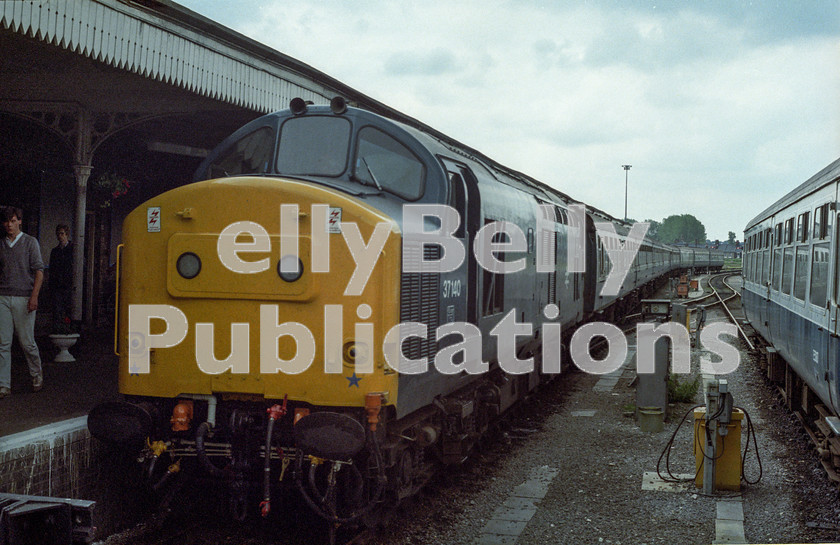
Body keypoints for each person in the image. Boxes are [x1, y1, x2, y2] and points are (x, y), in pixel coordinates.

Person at [0, 206, 45, 398]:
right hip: (3, 297)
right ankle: (4, 385)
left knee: (27, 343)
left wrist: (34, 296)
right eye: (6, 221)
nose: (9, 225)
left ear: (20, 221)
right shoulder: (1, 244)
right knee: (3, 343)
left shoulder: (30, 242)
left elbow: (39, 271)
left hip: (24, 298)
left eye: (13, 220)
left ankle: (36, 375)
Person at [49, 224, 73, 333]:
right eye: (58, 234)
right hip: (57, 285)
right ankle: (58, 331)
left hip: (69, 285)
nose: (60, 236)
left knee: (69, 309)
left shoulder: (73, 249)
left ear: (67, 234)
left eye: (62, 233)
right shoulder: (55, 251)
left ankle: (68, 330)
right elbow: (52, 269)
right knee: (57, 310)